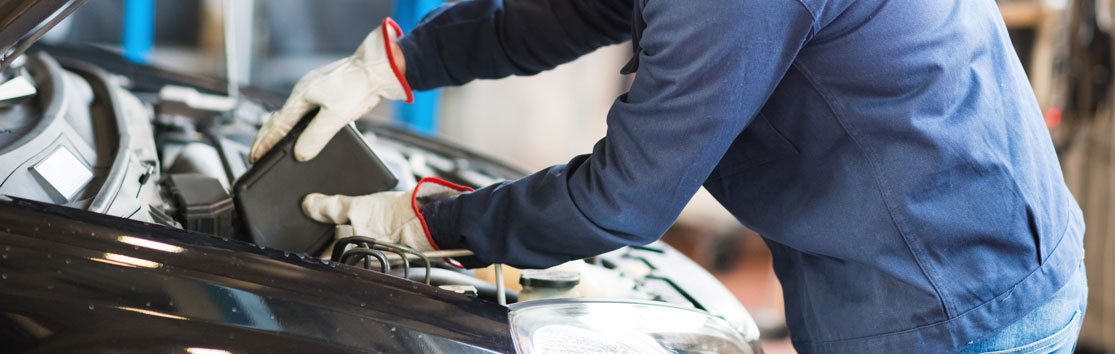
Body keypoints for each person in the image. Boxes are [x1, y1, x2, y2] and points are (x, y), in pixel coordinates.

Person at [248, 1, 1087, 352]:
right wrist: (388, 63)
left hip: (954, 302)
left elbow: (623, 198)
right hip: (935, 252)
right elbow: (575, 9)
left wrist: (424, 224)